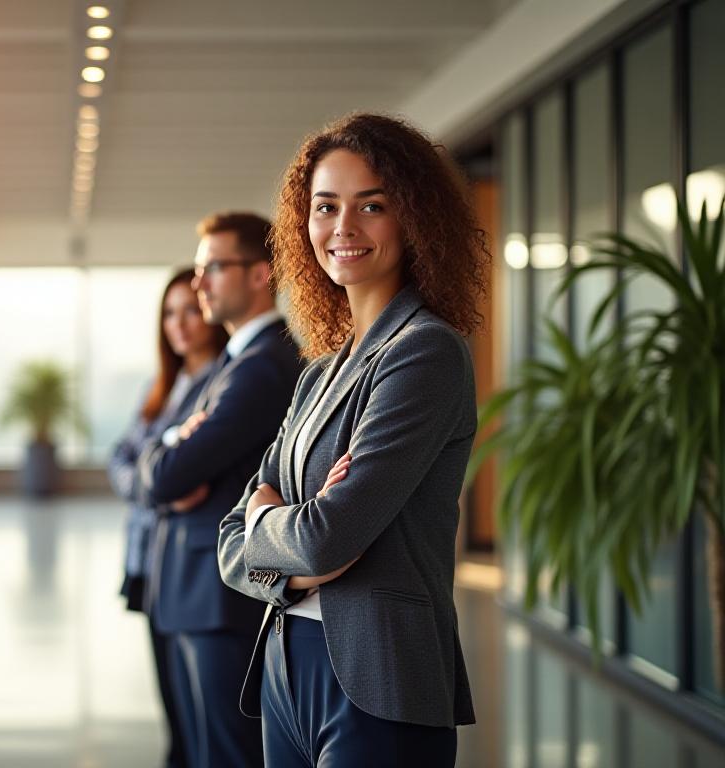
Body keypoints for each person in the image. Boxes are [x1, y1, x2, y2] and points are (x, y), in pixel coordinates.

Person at [217, 113, 488, 767]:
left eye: (372, 205)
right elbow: (230, 541)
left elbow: (327, 536)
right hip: (286, 662)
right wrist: (284, 538)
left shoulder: (425, 354)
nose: (344, 228)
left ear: (412, 217)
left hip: (380, 678)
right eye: (325, 207)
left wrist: (280, 524)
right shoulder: (319, 371)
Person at [137, 212, 304, 768]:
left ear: (261, 274)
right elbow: (161, 467)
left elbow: (163, 474)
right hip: (196, 595)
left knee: (226, 754)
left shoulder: (261, 368)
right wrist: (166, 450)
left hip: (219, 599)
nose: (200, 281)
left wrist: (163, 453)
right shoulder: (234, 364)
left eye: (214, 267)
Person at [109, 267, 228, 768]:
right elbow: (120, 460)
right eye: (169, 313)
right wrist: (154, 483)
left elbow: (154, 468)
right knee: (173, 709)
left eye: (189, 310)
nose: (178, 324)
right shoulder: (161, 388)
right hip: (147, 561)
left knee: (199, 717)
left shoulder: (222, 382)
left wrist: (150, 471)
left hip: (188, 564)